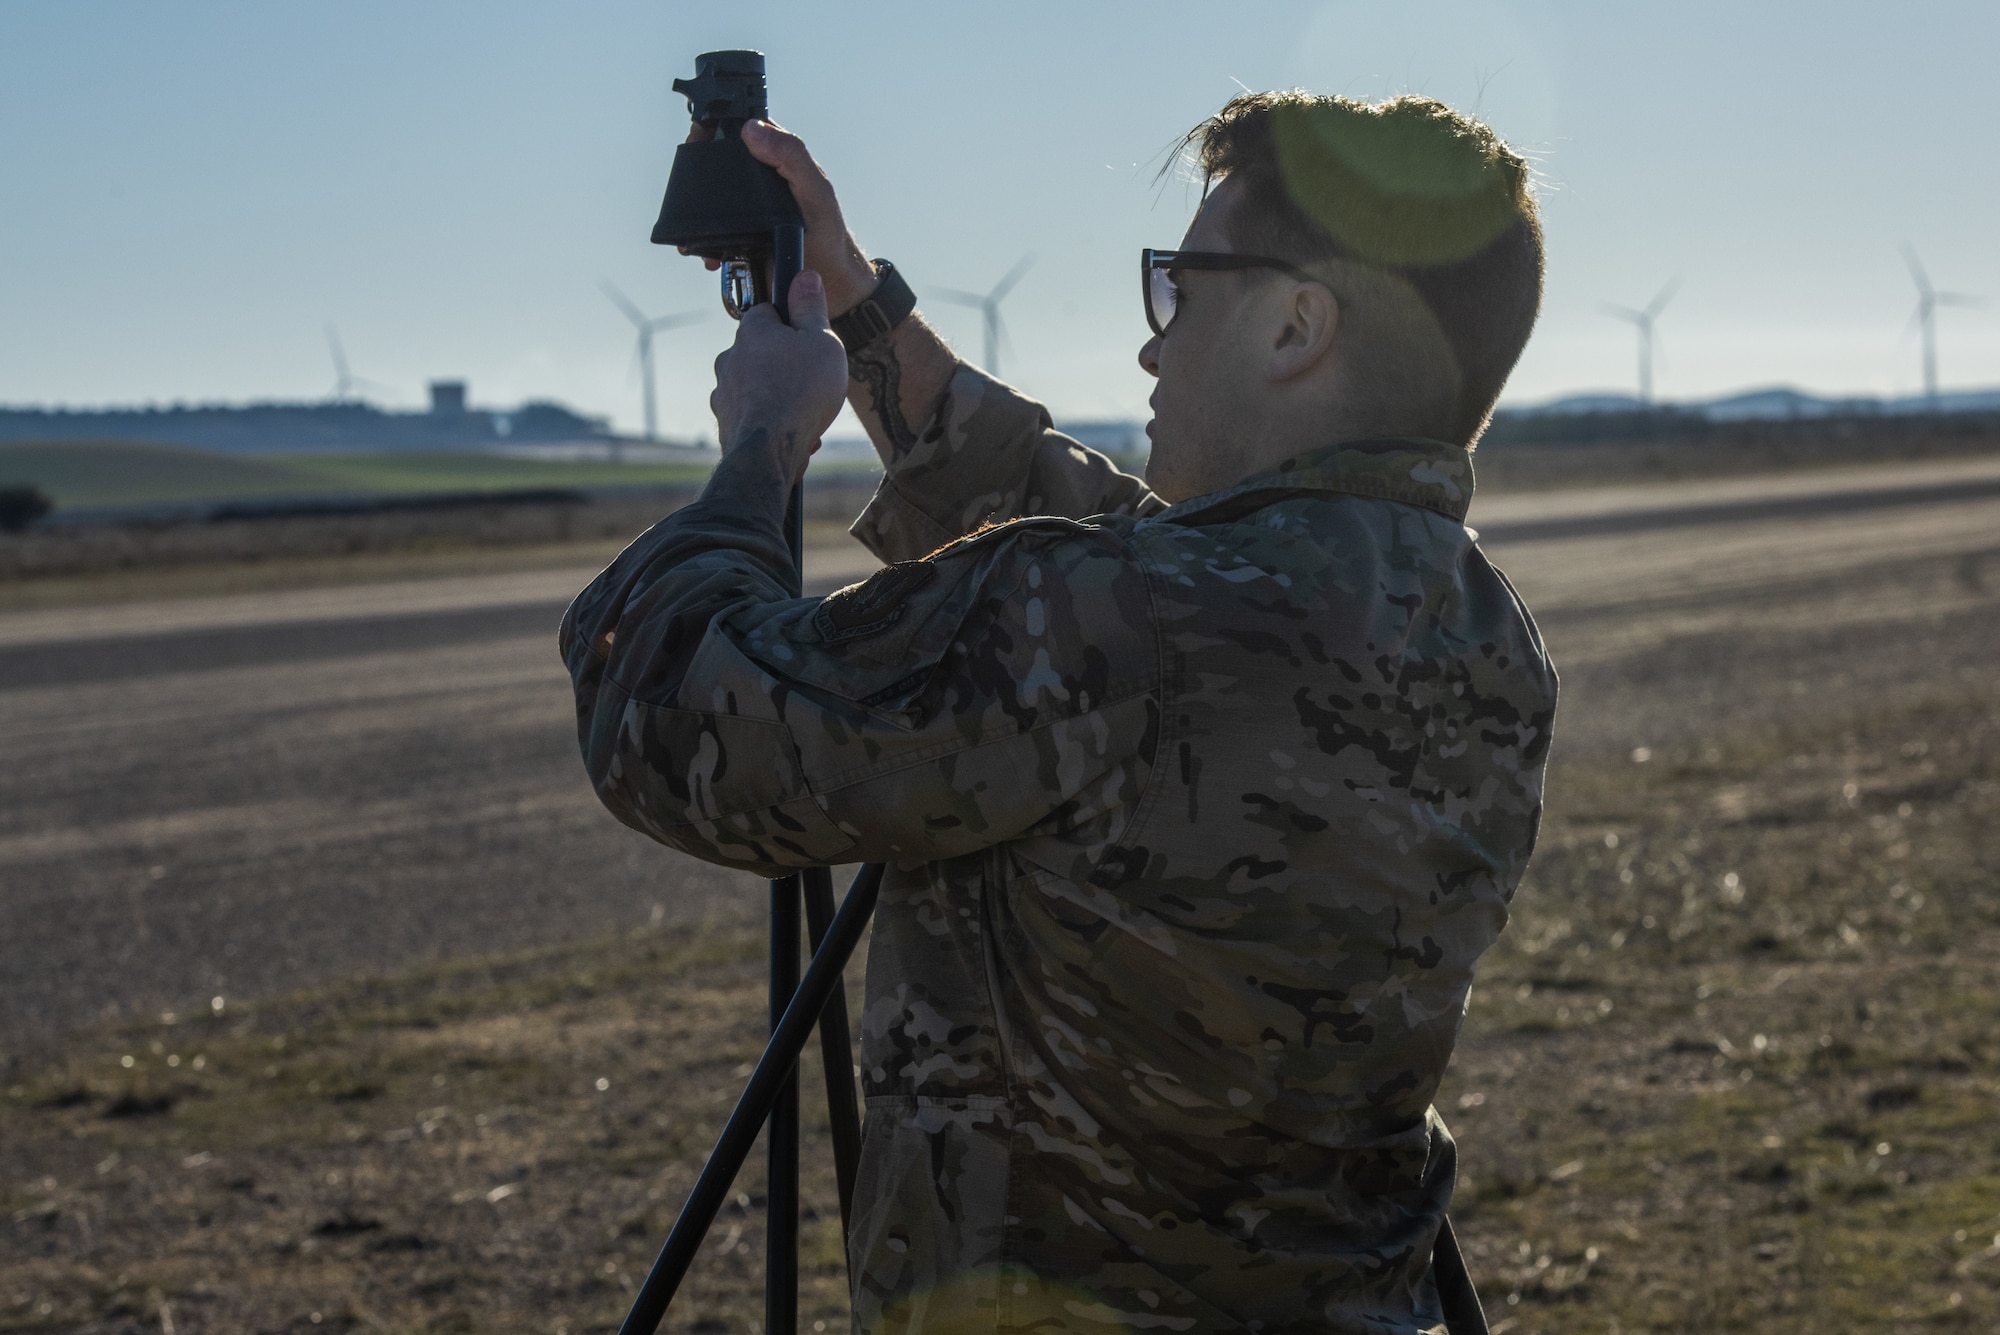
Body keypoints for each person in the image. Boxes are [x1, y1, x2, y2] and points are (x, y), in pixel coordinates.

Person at [562, 90, 1558, 1335]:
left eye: (1180, 290)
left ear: (1297, 324)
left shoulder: (1127, 616)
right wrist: (856, 301)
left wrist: (760, 443)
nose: (1151, 345)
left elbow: (662, 709)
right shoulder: (1469, 623)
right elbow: (1115, 567)